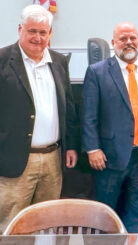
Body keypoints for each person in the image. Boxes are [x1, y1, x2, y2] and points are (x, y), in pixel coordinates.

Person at [0, 4, 78, 232]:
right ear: (20, 30)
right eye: (32, 31)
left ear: (50, 34)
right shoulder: (3, 60)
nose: (37, 37)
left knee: (47, 223)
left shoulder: (59, 61)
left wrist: (71, 145)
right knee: (10, 225)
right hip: (13, 161)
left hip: (52, 158)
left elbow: (69, 109)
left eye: (43, 32)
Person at [82, 22, 138, 232]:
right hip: (108, 156)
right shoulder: (97, 72)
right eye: (123, 39)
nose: (128, 42)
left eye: (133, 38)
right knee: (106, 212)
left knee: (137, 210)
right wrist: (92, 148)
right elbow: (89, 115)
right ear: (113, 42)